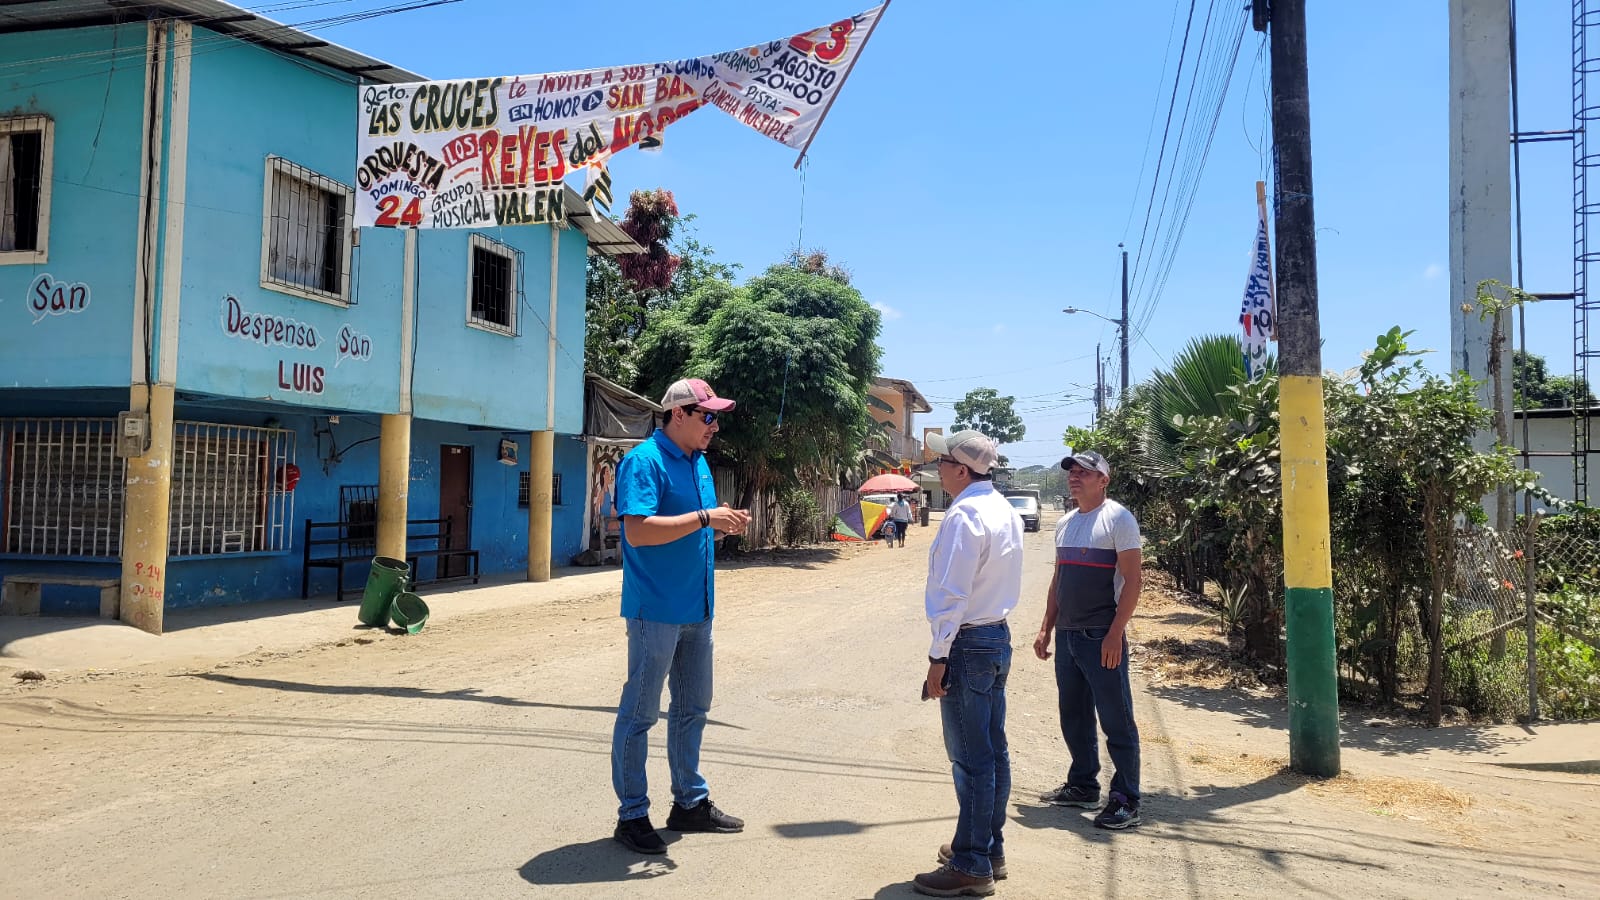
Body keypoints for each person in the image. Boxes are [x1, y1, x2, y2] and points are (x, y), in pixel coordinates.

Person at [610, 377, 753, 854]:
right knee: (640, 714)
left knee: (693, 709)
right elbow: (638, 532)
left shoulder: (699, 462)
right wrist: (706, 518)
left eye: (717, 417)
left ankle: (689, 803)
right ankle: (632, 814)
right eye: (708, 416)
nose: (715, 426)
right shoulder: (644, 461)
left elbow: (692, 528)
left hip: (698, 608)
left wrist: (721, 524)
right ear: (678, 414)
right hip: (656, 610)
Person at [914, 430, 1025, 897]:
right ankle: (987, 849)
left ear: (961, 470)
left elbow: (953, 594)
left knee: (971, 759)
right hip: (995, 636)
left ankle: (972, 864)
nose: (937, 468)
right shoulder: (1004, 509)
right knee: (993, 752)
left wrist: (937, 656)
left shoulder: (964, 515)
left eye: (943, 462)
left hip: (967, 642)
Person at [1033, 450, 1144, 830]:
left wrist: (1115, 633)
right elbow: (1058, 581)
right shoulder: (1066, 523)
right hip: (1068, 636)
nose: (1075, 477)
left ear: (1103, 480)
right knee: (1074, 715)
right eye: (1072, 472)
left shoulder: (1119, 519)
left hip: (1100, 636)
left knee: (1116, 719)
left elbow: (1134, 581)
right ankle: (1083, 785)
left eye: (1085, 472)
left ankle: (1126, 799)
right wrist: (1046, 627)